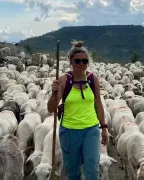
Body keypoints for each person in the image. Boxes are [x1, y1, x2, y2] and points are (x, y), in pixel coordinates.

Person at [47, 40, 108, 180]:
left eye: (84, 61)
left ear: (88, 62)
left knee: (92, 170)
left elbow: (98, 103)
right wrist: (53, 93)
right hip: (69, 131)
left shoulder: (93, 79)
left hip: (91, 129)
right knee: (73, 173)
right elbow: (51, 108)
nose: (81, 64)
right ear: (71, 61)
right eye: (77, 61)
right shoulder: (64, 80)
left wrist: (104, 126)